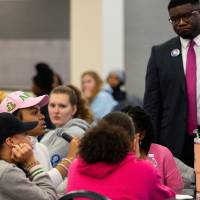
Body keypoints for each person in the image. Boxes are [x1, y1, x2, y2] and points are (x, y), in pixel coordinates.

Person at [66, 112, 175, 200]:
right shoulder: (145, 170)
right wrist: (136, 159)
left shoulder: (75, 166)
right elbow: (169, 197)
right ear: (133, 142)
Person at [143, 0, 200, 167]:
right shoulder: (159, 53)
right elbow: (152, 105)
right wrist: (150, 146)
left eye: (186, 16)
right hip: (173, 142)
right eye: (174, 19)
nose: (181, 23)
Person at [0, 91, 79, 197]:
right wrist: (69, 159)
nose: (42, 116)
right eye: (34, 112)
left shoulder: (41, 147)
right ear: (14, 120)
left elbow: (47, 188)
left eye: (40, 111)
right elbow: (44, 194)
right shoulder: (8, 168)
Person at [122, 105, 183, 193]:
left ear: (142, 135)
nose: (121, 137)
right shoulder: (113, 156)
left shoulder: (162, 154)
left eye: (127, 133)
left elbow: (176, 191)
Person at [0, 112, 57, 200]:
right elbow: (50, 197)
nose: (30, 139)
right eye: (25, 134)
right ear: (10, 142)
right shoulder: (8, 172)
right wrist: (32, 162)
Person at [41, 85, 92, 167]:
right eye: (52, 105)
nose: (56, 111)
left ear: (74, 109)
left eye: (62, 106)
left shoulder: (75, 132)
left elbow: (45, 166)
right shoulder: (50, 133)